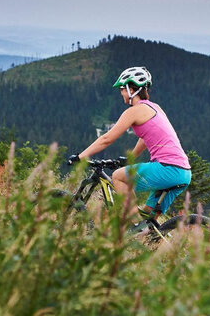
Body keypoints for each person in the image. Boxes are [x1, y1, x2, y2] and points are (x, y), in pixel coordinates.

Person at [68, 66, 192, 218]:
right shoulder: (156, 108)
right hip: (183, 173)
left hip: (168, 169)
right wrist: (130, 158)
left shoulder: (134, 111)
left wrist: (81, 156)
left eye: (122, 88)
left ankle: (132, 224)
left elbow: (107, 139)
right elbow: (145, 138)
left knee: (118, 176)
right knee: (147, 217)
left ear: (131, 90)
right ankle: (145, 234)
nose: (121, 93)